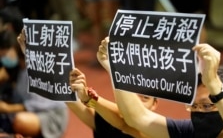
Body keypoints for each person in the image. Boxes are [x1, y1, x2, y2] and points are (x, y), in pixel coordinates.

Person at [97, 37, 223, 138]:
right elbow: (137, 117)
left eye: (207, 105)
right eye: (194, 106)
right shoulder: (190, 132)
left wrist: (214, 83)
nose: (199, 112)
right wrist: (117, 70)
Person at [17, 28, 157, 138]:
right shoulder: (106, 123)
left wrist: (89, 98)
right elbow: (63, 92)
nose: (136, 102)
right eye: (132, 95)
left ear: (154, 104)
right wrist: (35, 59)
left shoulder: (159, 131)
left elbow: (127, 119)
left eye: (145, 98)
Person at [1, 29, 68, 138]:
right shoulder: (16, 69)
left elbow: (37, 104)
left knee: (20, 121)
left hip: (50, 113)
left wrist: (8, 108)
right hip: (32, 111)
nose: (3, 58)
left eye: (5, 54)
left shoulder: (35, 66)